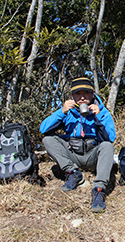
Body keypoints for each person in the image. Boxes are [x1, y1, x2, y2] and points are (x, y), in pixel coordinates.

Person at [40, 77, 116, 213]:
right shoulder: (67, 111)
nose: (82, 98)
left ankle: (99, 190)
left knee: (107, 146)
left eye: (85, 93)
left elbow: (110, 138)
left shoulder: (102, 112)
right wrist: (61, 112)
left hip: (93, 156)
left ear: (93, 94)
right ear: (72, 96)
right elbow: (43, 129)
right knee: (48, 139)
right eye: (77, 94)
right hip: (72, 154)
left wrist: (98, 116)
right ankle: (72, 172)